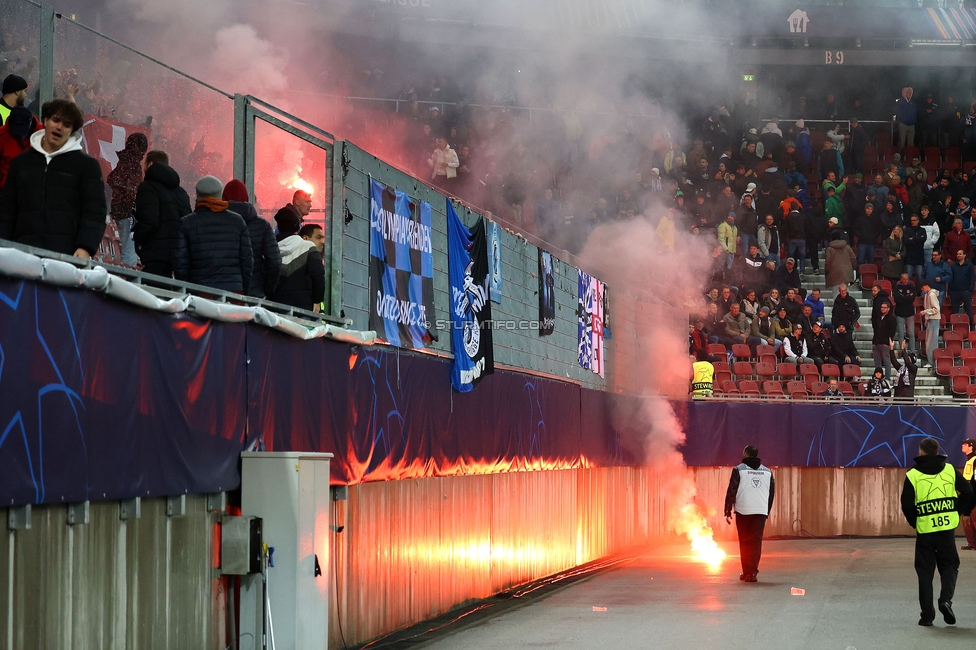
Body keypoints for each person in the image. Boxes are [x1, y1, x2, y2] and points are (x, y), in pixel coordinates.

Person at [0, 99, 106, 258]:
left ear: (72, 130)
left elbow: (94, 212)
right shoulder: (21, 163)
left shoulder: (87, 166)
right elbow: (7, 210)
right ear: (45, 121)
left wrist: (85, 246)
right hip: (20, 254)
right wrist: (3, 245)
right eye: (55, 120)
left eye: (67, 124)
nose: (59, 127)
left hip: (66, 256)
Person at [900, 437, 973, 627]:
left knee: (925, 573)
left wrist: (916, 522)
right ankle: (945, 601)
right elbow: (968, 491)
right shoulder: (950, 470)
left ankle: (927, 616)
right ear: (938, 451)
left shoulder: (912, 474)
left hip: (925, 531)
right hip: (946, 530)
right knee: (949, 566)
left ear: (921, 452)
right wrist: (957, 510)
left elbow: (907, 505)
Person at [172, 176, 252, 293]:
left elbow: (180, 264)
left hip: (199, 293)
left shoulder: (186, 223)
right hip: (233, 292)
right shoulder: (237, 221)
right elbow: (247, 261)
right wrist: (243, 289)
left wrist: (187, 288)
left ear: (197, 195)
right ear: (220, 194)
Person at [133, 150, 192, 278]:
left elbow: (149, 221)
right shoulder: (181, 192)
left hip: (156, 254)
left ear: (150, 164)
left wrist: (138, 241)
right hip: (178, 254)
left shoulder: (147, 187)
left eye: (144, 163)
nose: (142, 167)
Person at [222, 180, 282, 299]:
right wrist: (266, 290)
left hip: (220, 293)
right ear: (246, 198)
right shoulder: (262, 225)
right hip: (254, 293)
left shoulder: (216, 223)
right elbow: (274, 262)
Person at [724, 445, 775, 583]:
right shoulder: (768, 472)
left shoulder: (739, 469)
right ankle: (752, 572)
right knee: (755, 542)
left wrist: (727, 510)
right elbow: (771, 494)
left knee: (745, 541)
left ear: (746, 454)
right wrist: (766, 511)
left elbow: (732, 490)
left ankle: (746, 571)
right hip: (760, 511)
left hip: (743, 511)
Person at [106, 132, 149, 267]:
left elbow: (111, 180)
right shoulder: (134, 166)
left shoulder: (123, 161)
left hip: (116, 210)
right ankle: (127, 280)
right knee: (129, 251)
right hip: (127, 215)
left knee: (117, 247)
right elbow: (132, 191)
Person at [269, 223, 326, 312]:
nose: (322, 241)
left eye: (323, 238)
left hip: (274, 306)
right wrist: (317, 300)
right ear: (305, 238)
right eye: (318, 237)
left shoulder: (272, 251)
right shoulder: (310, 252)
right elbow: (318, 275)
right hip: (303, 309)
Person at [0, 106, 40, 191]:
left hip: (34, 189)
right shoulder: (2, 135)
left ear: (30, 121)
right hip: (6, 190)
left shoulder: (43, 135)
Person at [948, 248, 975, 328]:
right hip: (955, 291)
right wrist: (950, 290)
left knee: (968, 309)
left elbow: (972, 278)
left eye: (960, 254)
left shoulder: (969, 265)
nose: (958, 255)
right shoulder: (953, 266)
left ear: (964, 255)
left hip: (966, 291)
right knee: (954, 310)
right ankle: (954, 326)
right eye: (957, 254)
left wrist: (970, 290)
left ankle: (971, 325)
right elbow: (951, 278)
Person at [892, 273, 917, 352]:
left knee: (911, 333)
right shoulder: (896, 288)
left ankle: (912, 351)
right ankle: (903, 351)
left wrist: (902, 297)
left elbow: (912, 299)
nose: (905, 280)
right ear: (901, 279)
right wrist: (907, 298)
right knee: (901, 333)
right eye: (904, 279)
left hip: (910, 313)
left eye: (907, 279)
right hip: (899, 313)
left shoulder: (912, 287)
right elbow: (896, 299)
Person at [919, 280, 941, 369]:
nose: (923, 290)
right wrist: (926, 318)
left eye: (923, 288)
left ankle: (932, 363)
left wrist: (925, 312)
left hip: (934, 320)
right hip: (930, 320)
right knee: (929, 342)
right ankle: (931, 362)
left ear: (927, 286)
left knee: (932, 343)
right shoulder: (927, 295)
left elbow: (936, 309)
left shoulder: (932, 295)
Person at [873, 300, 896, 380]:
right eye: (881, 307)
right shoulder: (879, 317)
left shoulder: (892, 318)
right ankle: (878, 377)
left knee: (886, 362)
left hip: (885, 343)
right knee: (877, 362)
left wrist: (888, 342)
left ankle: (887, 379)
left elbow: (892, 331)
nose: (882, 309)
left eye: (884, 307)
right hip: (876, 342)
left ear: (888, 309)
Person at [960, 438, 976, 551]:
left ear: (971, 446)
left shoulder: (974, 460)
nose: (962, 446)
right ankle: (972, 543)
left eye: (965, 444)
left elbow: (973, 481)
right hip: (969, 494)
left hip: (973, 495)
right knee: (968, 521)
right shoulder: (969, 460)